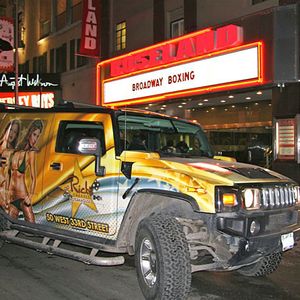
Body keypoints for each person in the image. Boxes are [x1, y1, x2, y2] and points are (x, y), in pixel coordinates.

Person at [7, 119, 44, 223]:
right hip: (11, 196)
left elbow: (33, 177)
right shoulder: (18, 148)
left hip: (23, 196)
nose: (35, 139)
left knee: (32, 225)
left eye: (38, 136)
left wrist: (30, 195)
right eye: (34, 134)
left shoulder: (31, 153)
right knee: (9, 227)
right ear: (29, 133)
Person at [0, 120, 21, 206]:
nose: (12, 133)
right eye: (11, 130)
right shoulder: (1, 145)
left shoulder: (13, 149)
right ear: (6, 130)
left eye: (15, 132)